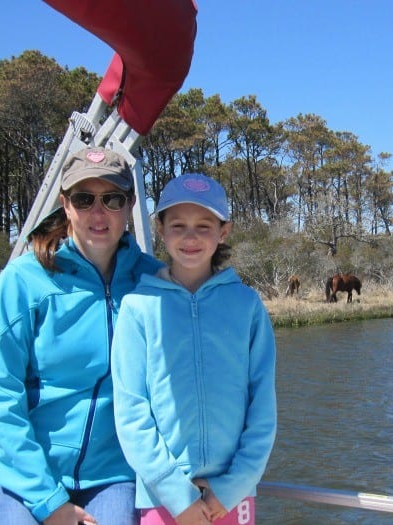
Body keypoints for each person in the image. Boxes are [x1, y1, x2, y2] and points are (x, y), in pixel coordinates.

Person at [0, 146, 163, 525]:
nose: (98, 213)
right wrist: (49, 500)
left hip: (111, 472)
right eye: (84, 199)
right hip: (21, 468)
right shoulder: (23, 282)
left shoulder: (155, 282)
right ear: (65, 205)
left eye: (112, 199)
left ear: (129, 205)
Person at [111, 173, 277, 525]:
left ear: (224, 231)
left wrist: (232, 487)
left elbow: (262, 405)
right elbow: (131, 413)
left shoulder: (247, 304)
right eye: (178, 225)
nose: (190, 237)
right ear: (160, 229)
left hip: (232, 496)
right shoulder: (137, 307)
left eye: (204, 225)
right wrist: (177, 494)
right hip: (163, 498)